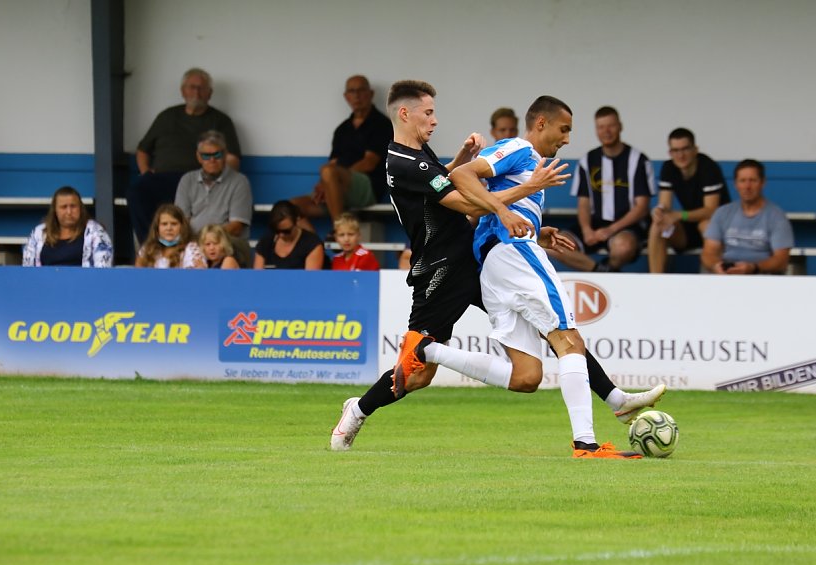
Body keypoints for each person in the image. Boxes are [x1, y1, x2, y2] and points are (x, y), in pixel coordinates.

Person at [330, 81, 664, 457]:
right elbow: (467, 203)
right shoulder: (405, 162)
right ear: (404, 114)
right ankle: (359, 408)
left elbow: (445, 181)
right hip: (442, 270)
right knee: (418, 373)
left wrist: (522, 219)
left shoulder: (418, 155)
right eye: (428, 112)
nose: (435, 120)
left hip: (470, 261)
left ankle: (614, 399)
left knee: (550, 338)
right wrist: (517, 199)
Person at [128, 68, 242, 243]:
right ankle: (150, 245)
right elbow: (143, 150)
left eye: (202, 88)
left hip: (199, 181)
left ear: (209, 94)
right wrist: (145, 172)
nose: (196, 92)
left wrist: (217, 177)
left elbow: (232, 158)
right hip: (163, 179)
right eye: (192, 87)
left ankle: (187, 247)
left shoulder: (220, 121)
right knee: (137, 189)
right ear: (183, 91)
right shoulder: (167, 116)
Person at [549, 106, 654, 272]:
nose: (606, 131)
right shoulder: (588, 160)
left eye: (611, 126)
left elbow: (641, 208)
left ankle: (610, 269)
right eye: (601, 127)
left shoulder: (638, 160)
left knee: (623, 247)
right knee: (554, 243)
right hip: (595, 225)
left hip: (628, 227)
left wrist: (611, 230)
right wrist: (587, 230)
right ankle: (600, 270)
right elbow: (583, 203)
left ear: (620, 126)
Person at [291, 75, 393, 230]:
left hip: (368, 186)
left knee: (328, 172)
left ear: (371, 94)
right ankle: (316, 247)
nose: (357, 95)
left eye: (361, 90)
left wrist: (333, 177)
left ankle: (340, 229)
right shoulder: (342, 129)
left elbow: (369, 163)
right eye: (352, 91)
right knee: (290, 207)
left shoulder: (382, 124)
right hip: (336, 184)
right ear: (346, 97)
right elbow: (332, 164)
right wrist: (324, 183)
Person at [648, 128, 730, 273]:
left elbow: (711, 211)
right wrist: (659, 212)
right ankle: (656, 282)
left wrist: (679, 215)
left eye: (685, 149)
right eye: (675, 150)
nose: (681, 155)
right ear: (670, 153)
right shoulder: (668, 167)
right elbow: (665, 205)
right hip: (689, 228)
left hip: (720, 226)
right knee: (658, 224)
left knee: (706, 225)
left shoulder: (708, 167)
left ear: (695, 149)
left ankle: (715, 281)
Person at [701, 159, 794, 275]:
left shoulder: (777, 216)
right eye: (742, 181)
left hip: (761, 278)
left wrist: (754, 267)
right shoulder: (722, 212)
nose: (747, 186)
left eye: (753, 180)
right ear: (735, 184)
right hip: (726, 277)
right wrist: (716, 266)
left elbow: (781, 260)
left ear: (763, 183)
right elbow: (709, 252)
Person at [174, 130, 253, 267]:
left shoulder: (240, 181)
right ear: (198, 157)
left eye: (217, 154)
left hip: (228, 242)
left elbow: (236, 227)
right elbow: (181, 221)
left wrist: (208, 241)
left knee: (222, 251)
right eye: (206, 155)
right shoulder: (187, 180)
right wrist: (197, 244)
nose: (212, 160)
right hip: (193, 241)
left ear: (225, 155)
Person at [22, 186, 113, 267]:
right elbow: (28, 269)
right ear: (55, 210)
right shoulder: (39, 233)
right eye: (63, 207)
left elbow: (102, 270)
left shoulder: (96, 232)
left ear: (80, 208)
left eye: (73, 206)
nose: (69, 212)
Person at [253, 200, 325, 270]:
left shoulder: (312, 244)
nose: (281, 235)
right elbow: (257, 277)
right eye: (276, 231)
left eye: (286, 231)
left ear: (297, 220)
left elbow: (310, 280)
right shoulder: (266, 241)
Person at [135, 204, 206, 269]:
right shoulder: (147, 249)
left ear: (182, 226)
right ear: (157, 227)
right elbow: (137, 275)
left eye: (174, 224)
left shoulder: (191, 248)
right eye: (164, 224)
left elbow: (193, 277)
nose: (169, 228)